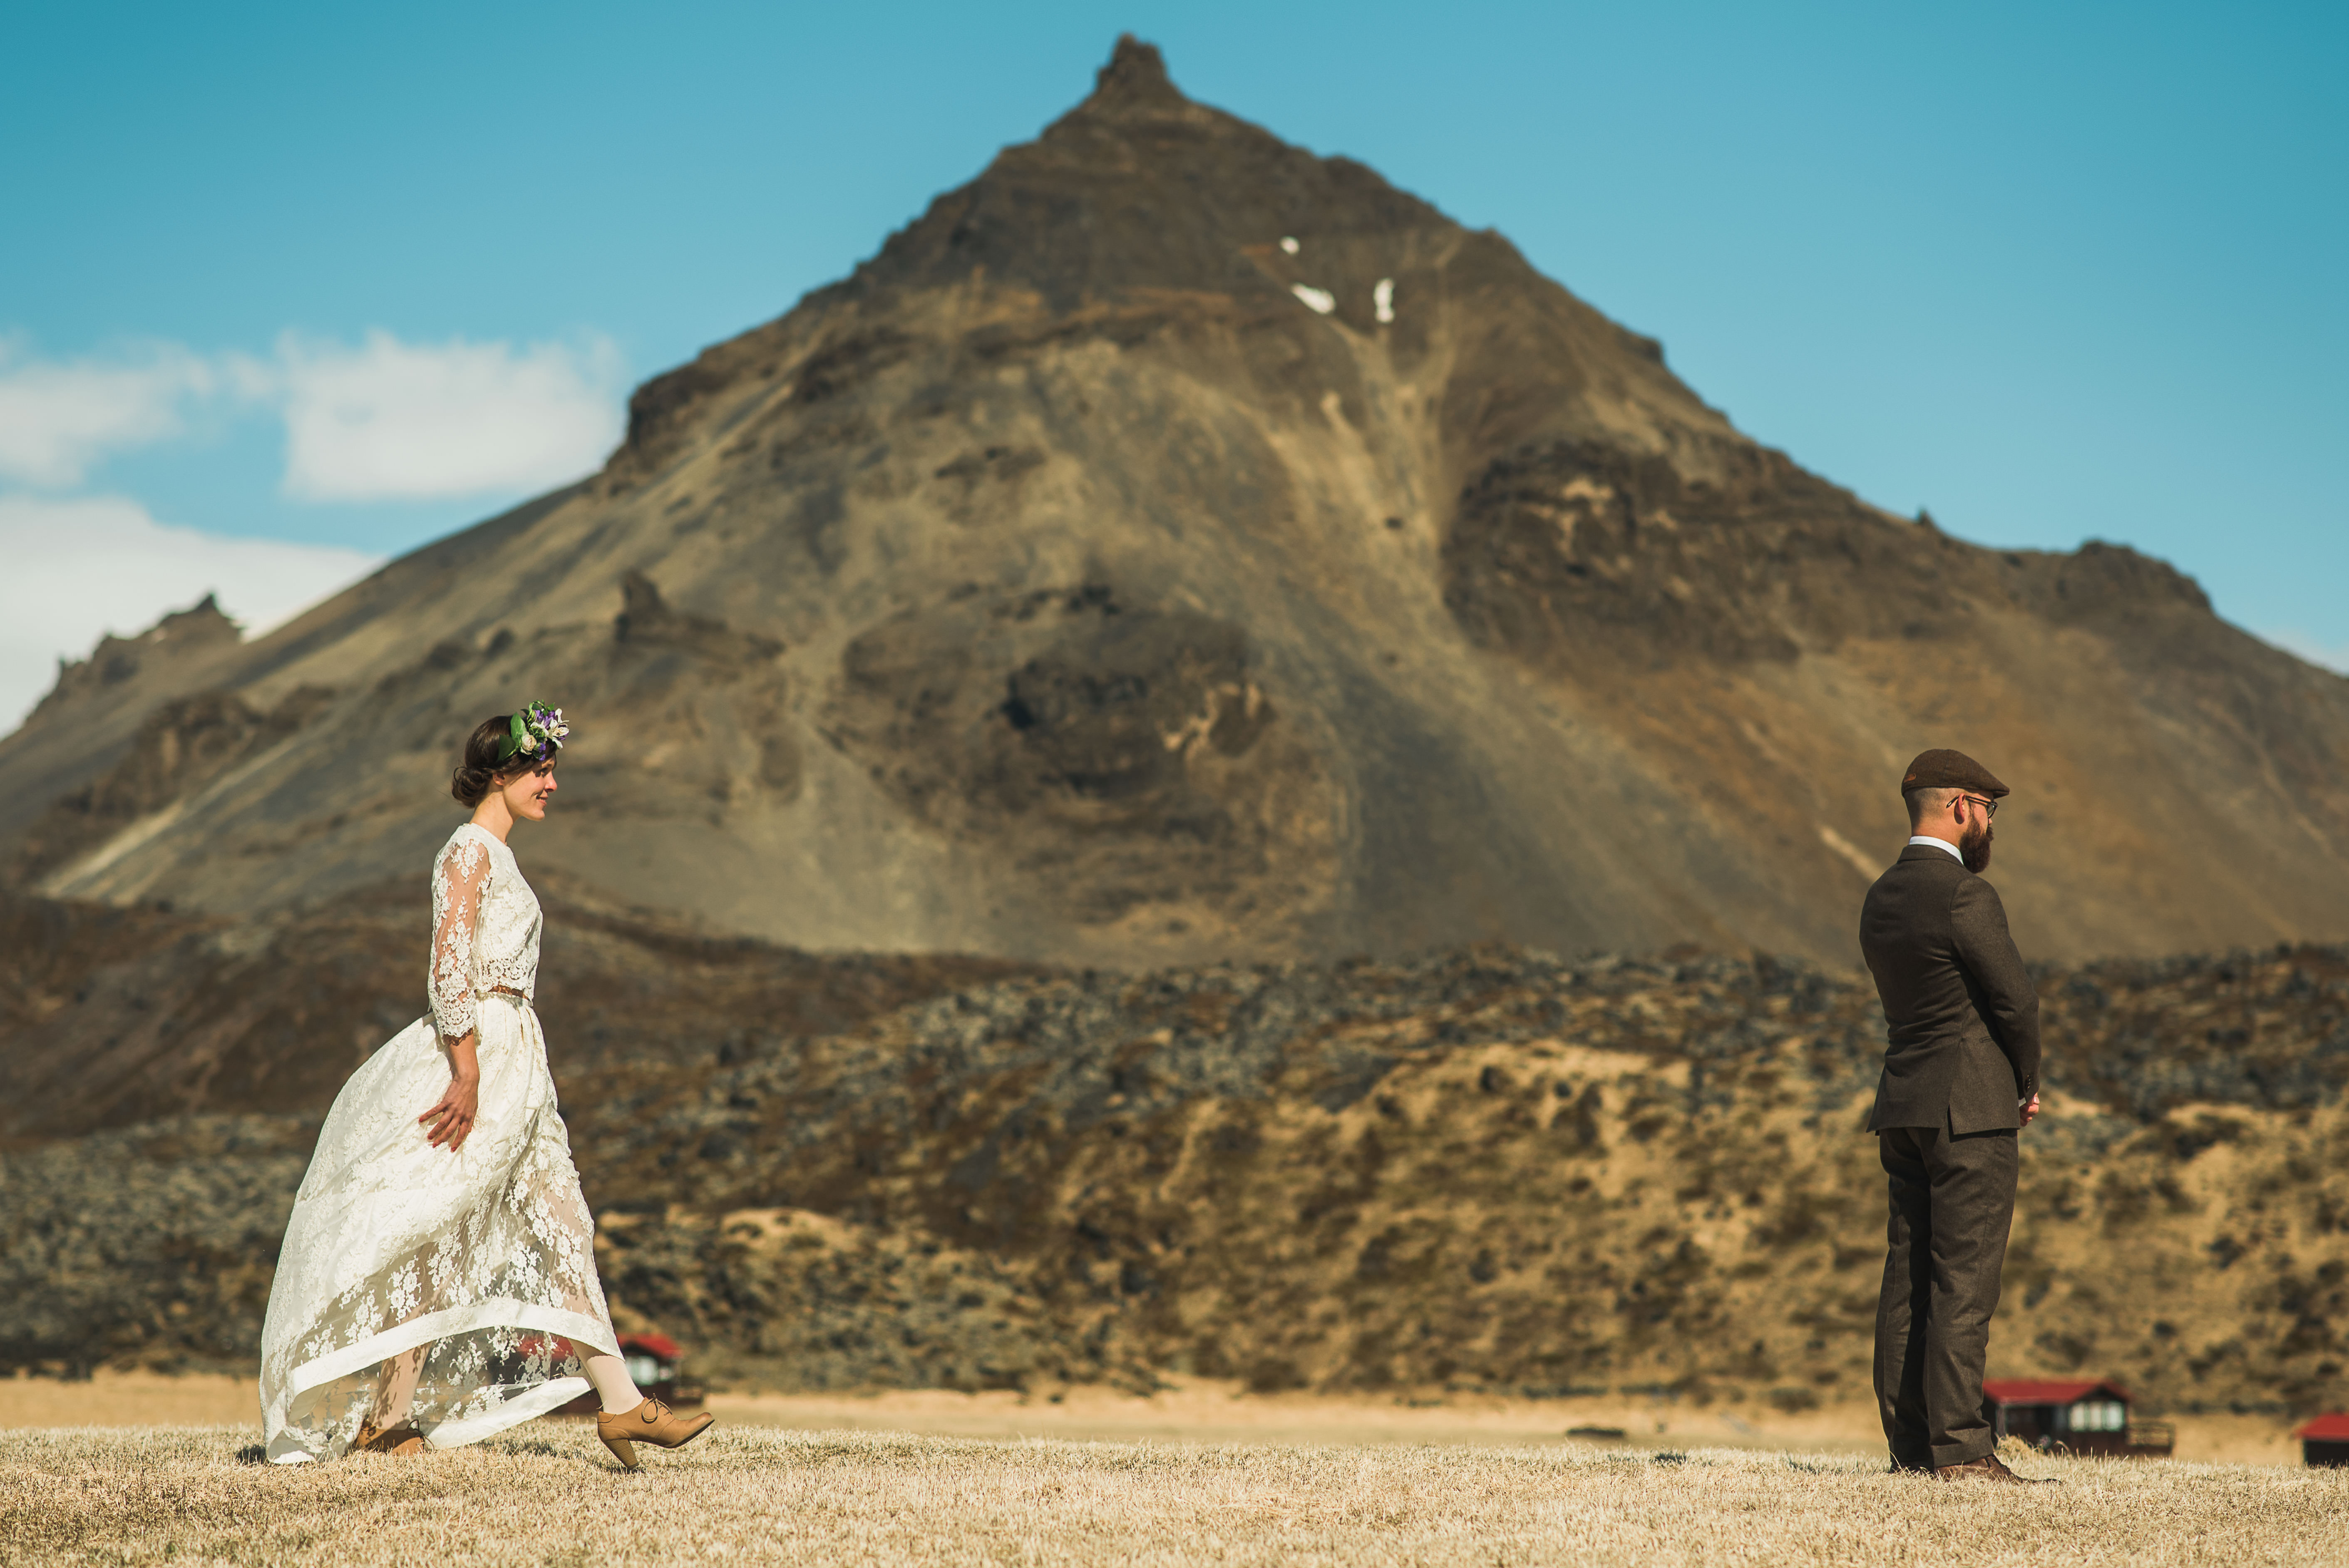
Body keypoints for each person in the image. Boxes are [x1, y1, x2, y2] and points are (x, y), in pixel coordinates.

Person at [259, 703, 712, 1470]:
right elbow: (449, 961)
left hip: (518, 1062)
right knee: (446, 1233)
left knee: (562, 1226)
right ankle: (403, 1419)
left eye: (551, 769)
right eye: (540, 770)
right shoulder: (468, 850)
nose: (553, 783)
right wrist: (466, 1067)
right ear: (499, 774)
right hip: (481, 1055)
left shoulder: (498, 855)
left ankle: (620, 1407)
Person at [1858, 748, 2047, 1483]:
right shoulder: (1968, 897)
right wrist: (2025, 1080)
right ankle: (1964, 1453)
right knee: (1964, 1282)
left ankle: (1911, 1451)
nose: (1990, 824)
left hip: (1902, 1102)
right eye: (1989, 811)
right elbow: (2016, 1002)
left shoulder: (1880, 896)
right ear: (1961, 807)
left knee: (1905, 1279)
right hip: (1970, 1110)